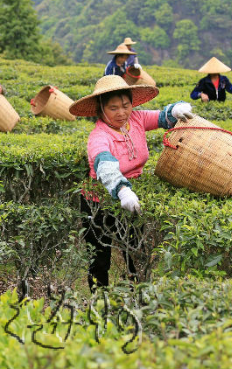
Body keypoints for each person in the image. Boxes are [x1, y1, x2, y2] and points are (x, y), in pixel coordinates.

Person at [69, 75, 193, 290]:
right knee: (99, 258)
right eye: (114, 108)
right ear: (101, 109)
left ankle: (137, 294)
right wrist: (122, 190)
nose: (122, 113)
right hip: (98, 202)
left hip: (131, 196)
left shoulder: (136, 119)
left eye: (126, 106)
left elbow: (162, 118)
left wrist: (175, 110)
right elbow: (105, 165)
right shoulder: (99, 136)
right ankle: (101, 301)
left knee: (136, 250)